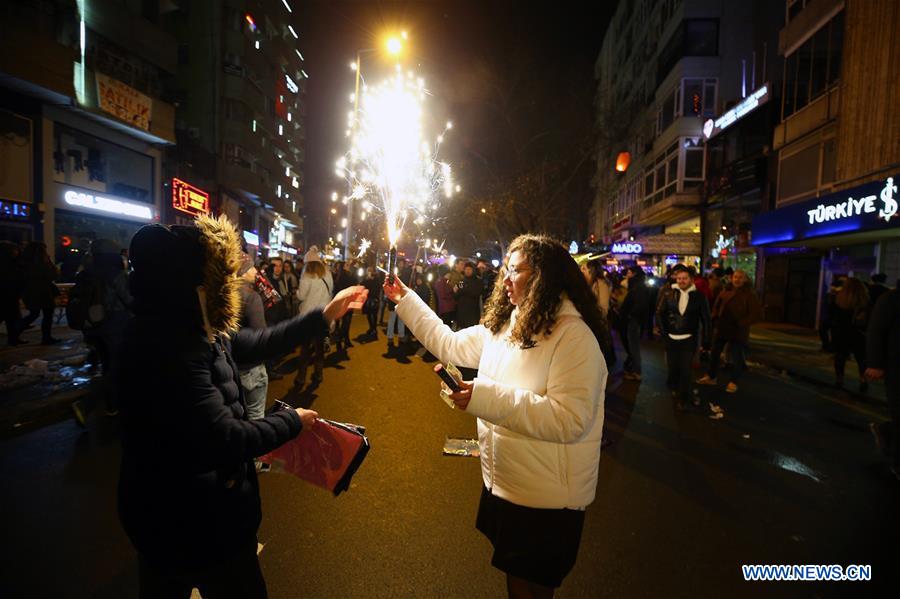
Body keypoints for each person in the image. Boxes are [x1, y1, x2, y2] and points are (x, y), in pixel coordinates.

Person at [116, 215, 360, 597]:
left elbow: (254, 343)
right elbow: (224, 437)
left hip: (186, 519)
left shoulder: (190, 326)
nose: (225, 286)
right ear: (188, 282)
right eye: (216, 279)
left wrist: (323, 317)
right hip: (194, 525)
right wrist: (291, 422)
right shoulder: (168, 345)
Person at [384, 234, 607, 598]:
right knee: (515, 583)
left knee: (531, 590)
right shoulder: (507, 325)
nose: (504, 279)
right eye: (505, 269)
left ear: (544, 277)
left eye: (515, 271)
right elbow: (449, 344)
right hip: (507, 486)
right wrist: (405, 300)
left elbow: (570, 419)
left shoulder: (574, 337)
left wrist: (483, 397)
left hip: (545, 503)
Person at [71, 239, 133, 426]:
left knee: (108, 366)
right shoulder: (116, 274)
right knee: (118, 367)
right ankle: (85, 405)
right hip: (115, 327)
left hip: (93, 328)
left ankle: (112, 407)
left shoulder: (86, 273)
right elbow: (129, 300)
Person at [696, 269, 763, 394]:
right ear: (731, 278)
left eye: (740, 277)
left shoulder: (749, 295)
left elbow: (757, 314)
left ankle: (734, 381)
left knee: (736, 358)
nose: (737, 279)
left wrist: (741, 323)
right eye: (735, 277)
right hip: (722, 328)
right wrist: (715, 317)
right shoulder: (725, 291)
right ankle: (711, 376)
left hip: (738, 331)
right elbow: (717, 306)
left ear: (745, 279)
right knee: (714, 354)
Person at [656, 264, 711, 411]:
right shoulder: (668, 293)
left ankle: (683, 398)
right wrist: (664, 333)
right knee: (673, 368)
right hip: (671, 338)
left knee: (686, 369)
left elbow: (706, 319)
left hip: (689, 339)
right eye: (679, 278)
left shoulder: (699, 296)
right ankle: (675, 388)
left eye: (685, 278)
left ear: (691, 280)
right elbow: (659, 313)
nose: (681, 281)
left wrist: (706, 340)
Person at [865, 288, 900, 480]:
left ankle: (886, 430)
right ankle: (898, 462)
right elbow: (876, 331)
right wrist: (875, 364)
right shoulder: (891, 299)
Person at [236, 253, 268, 421]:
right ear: (242, 272)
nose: (255, 270)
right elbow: (260, 334)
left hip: (232, 367)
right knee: (256, 417)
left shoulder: (223, 294)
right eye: (250, 267)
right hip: (251, 368)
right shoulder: (251, 296)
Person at [296, 248, 333, 388]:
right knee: (319, 349)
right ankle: (318, 374)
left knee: (305, 350)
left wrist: (297, 292)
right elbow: (331, 293)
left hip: (308, 318)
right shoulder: (327, 274)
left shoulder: (307, 275)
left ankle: (301, 378)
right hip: (322, 316)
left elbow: (301, 296)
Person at [830, 277, 869, 391]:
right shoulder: (864, 301)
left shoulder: (838, 300)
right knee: (861, 358)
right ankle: (863, 380)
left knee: (840, 357)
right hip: (858, 333)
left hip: (842, 332)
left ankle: (839, 380)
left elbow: (833, 317)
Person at [20, 241, 60, 344]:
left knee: (34, 314)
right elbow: (53, 274)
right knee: (47, 315)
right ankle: (46, 338)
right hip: (44, 292)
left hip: (30, 292)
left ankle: (15, 333)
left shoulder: (24, 262)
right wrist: (49, 261)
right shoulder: (42, 263)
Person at [619, 266, 649, 381]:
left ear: (634, 274)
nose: (627, 274)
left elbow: (640, 305)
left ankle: (636, 371)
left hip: (634, 320)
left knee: (633, 346)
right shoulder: (637, 284)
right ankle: (632, 367)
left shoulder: (638, 286)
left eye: (629, 272)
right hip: (633, 319)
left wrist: (630, 314)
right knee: (632, 345)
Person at [0, 241, 25, 345]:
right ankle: (13, 339)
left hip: (11, 294)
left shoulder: (13, 263)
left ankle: (13, 339)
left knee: (12, 319)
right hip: (7, 294)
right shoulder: (10, 264)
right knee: (11, 318)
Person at [331, 260, 356, 352]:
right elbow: (353, 282)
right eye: (346, 264)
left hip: (345, 302)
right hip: (344, 302)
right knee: (345, 323)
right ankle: (341, 339)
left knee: (346, 323)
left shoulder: (342, 275)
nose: (348, 265)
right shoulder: (343, 276)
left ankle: (344, 340)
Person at [454, 262, 482, 329]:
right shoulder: (461, 281)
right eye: (466, 269)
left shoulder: (477, 281)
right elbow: (457, 294)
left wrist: (462, 290)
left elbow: (477, 293)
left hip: (473, 311)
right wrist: (456, 292)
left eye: (469, 269)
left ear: (473, 270)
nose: (467, 271)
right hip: (462, 311)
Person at [361, 266, 383, 339]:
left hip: (374, 299)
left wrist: (371, 279)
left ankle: (374, 329)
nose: (369, 272)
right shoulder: (366, 279)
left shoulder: (376, 279)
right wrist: (367, 279)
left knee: (374, 315)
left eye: (370, 270)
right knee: (369, 315)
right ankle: (371, 328)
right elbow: (362, 284)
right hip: (368, 299)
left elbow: (378, 286)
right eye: (368, 270)